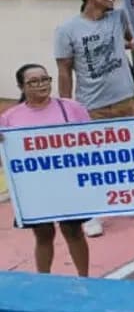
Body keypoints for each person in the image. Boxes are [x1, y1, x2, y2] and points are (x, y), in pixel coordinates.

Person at [2, 64, 92, 276]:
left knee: (74, 231)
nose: (41, 84)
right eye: (33, 81)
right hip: (34, 188)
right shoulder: (9, 117)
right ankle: (43, 281)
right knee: (43, 235)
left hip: (68, 182)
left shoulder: (72, 107)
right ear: (21, 87)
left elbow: (90, 139)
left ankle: (86, 279)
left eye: (45, 79)